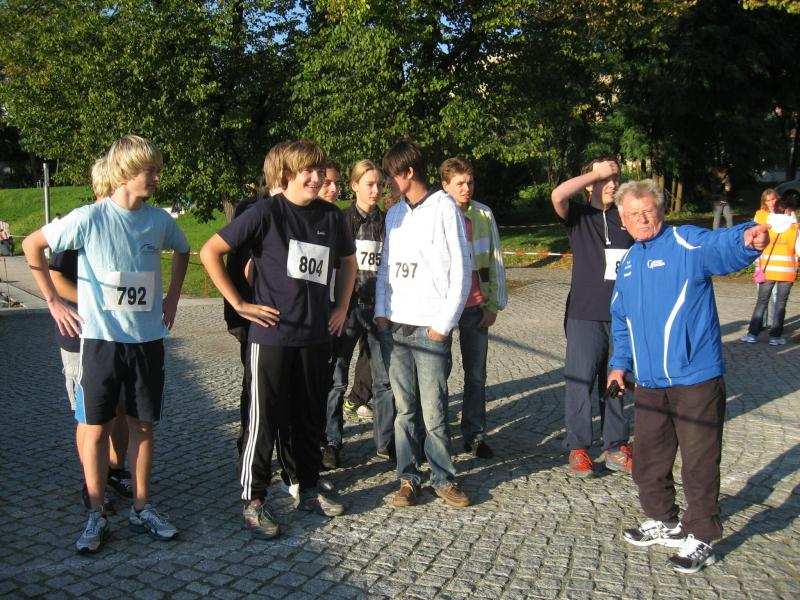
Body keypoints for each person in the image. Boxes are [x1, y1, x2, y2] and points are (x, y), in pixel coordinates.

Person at [22, 135, 190, 554]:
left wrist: (172, 296)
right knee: (95, 428)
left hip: (147, 341)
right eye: (150, 170)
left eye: (157, 169)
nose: (157, 177)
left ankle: (141, 508)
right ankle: (96, 513)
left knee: (143, 426)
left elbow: (184, 249)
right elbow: (32, 245)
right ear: (125, 172)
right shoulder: (90, 217)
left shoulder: (159, 220)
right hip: (100, 342)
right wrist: (53, 301)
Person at [607, 179, 769, 574]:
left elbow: (719, 246)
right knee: (648, 459)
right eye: (633, 214)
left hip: (695, 377)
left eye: (647, 211)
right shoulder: (629, 262)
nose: (641, 219)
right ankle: (664, 521)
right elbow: (621, 320)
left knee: (699, 462)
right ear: (623, 220)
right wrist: (619, 364)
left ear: (661, 211)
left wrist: (746, 238)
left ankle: (702, 535)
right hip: (649, 382)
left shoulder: (685, 242)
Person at [200, 140, 357, 539]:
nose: (317, 178)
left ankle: (308, 489)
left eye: (320, 170)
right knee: (263, 420)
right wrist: (239, 303)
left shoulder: (331, 216)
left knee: (309, 417)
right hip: (271, 337)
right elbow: (210, 251)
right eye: (308, 171)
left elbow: (348, 263)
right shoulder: (265, 212)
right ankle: (254, 500)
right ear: (286, 175)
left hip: (315, 335)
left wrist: (341, 307)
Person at [375, 141, 471, 509]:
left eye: (391, 175)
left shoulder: (445, 207)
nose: (387, 182)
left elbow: (461, 270)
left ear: (409, 172)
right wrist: (382, 311)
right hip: (397, 327)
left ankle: (443, 478)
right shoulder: (393, 214)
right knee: (405, 410)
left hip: (430, 327)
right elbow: (386, 267)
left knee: (434, 411)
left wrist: (443, 324)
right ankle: (407, 478)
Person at [49, 158, 133, 514]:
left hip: (118, 333)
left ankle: (114, 470)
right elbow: (55, 277)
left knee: (121, 407)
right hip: (80, 333)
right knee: (90, 415)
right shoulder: (83, 221)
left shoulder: (127, 223)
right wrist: (91, 301)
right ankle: (91, 482)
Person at [550, 158, 633, 477]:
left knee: (616, 382)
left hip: (621, 317)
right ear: (589, 185)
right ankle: (579, 447)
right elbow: (558, 195)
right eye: (603, 179)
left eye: (614, 178)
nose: (611, 184)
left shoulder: (625, 217)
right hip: (584, 315)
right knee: (580, 382)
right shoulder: (579, 216)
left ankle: (616, 446)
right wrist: (594, 173)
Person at [323, 160, 395, 469]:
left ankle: (386, 443)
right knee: (336, 380)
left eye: (379, 184)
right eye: (369, 184)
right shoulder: (340, 220)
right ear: (354, 186)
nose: (376, 190)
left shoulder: (389, 222)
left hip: (378, 309)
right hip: (346, 309)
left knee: (384, 381)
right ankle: (331, 442)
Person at [439, 157, 507, 458]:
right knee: (438, 374)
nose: (466, 188)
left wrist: (493, 305)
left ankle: (475, 435)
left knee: (476, 375)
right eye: (460, 183)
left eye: (470, 182)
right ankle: (437, 436)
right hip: (442, 308)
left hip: (476, 306)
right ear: (445, 185)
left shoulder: (483, 214)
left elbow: (495, 260)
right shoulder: (436, 213)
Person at [740, 193, 799, 346]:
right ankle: (775, 337)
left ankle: (752, 334)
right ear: (789, 210)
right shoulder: (794, 228)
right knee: (780, 304)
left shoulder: (766, 226)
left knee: (761, 302)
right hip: (787, 272)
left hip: (767, 270)